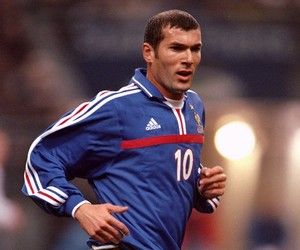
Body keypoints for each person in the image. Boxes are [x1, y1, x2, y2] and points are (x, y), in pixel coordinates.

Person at [22, 9, 226, 250]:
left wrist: (202, 187)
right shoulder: (116, 108)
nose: (188, 58)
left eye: (195, 49)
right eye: (176, 48)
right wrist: (80, 207)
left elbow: (163, 174)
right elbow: (41, 156)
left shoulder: (194, 106)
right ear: (149, 53)